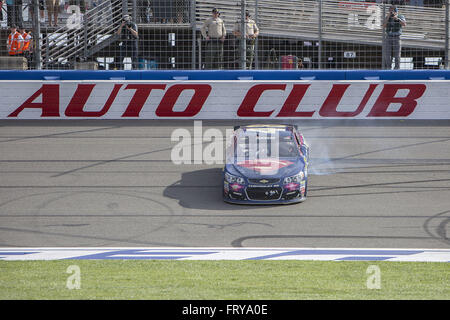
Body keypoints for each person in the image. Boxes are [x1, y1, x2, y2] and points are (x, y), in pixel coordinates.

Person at [383, 5, 406, 70]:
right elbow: (384, 25)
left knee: (397, 54)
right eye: (390, 10)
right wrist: (387, 17)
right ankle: (388, 67)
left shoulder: (400, 16)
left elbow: (404, 24)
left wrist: (397, 19)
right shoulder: (387, 17)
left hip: (397, 37)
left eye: (393, 10)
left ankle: (397, 68)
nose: (391, 12)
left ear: (396, 11)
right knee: (387, 54)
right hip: (388, 36)